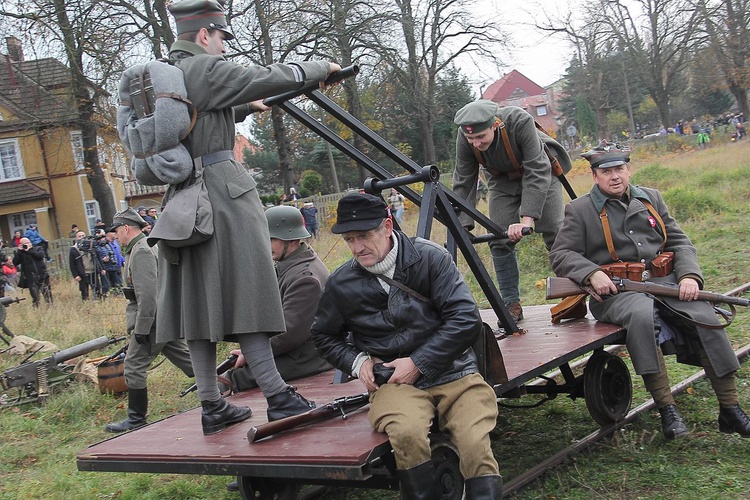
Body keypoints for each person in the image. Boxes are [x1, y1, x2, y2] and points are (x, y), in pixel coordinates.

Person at [155, 0, 341, 435]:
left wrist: (241, 108)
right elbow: (262, 76)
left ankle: (211, 404)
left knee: (197, 308)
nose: (222, 46)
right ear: (205, 34)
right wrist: (318, 69)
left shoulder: (170, 72)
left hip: (184, 201)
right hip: (221, 192)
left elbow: (195, 120)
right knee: (253, 294)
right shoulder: (203, 69)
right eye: (221, 38)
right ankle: (278, 396)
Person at [549, 140, 750, 440]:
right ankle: (667, 409)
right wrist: (591, 273)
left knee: (706, 317)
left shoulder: (651, 198)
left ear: (629, 170)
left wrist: (690, 277)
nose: (614, 176)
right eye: (606, 172)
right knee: (642, 317)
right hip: (617, 293)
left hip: (665, 284)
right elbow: (561, 255)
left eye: (619, 169)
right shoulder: (579, 210)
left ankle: (731, 409)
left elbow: (680, 243)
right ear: (594, 177)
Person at [311, 193, 502, 499]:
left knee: (474, 441)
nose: (357, 247)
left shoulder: (430, 258)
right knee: (406, 435)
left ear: (387, 226)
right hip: (395, 384)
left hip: (455, 373)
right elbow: (323, 336)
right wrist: (359, 363)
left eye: (363, 236)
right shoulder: (341, 283)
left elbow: (465, 318)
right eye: (349, 239)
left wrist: (418, 363)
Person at [452, 100, 571, 322]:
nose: (476, 144)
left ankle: (572, 295)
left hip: (540, 173)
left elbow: (537, 169)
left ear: (494, 125)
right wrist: (462, 224)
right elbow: (464, 180)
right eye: (471, 139)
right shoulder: (464, 137)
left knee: (555, 230)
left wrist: (527, 220)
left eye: (481, 137)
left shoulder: (519, 121)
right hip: (501, 181)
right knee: (498, 237)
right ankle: (511, 303)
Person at [223, 205, 332, 393]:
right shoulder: (293, 265)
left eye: (272, 239)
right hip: (298, 350)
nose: (266, 245)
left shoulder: (304, 278)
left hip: (309, 356)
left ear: (292, 240)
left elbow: (290, 333)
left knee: (237, 378)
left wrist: (251, 352)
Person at [105, 208, 194, 433]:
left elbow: (148, 295)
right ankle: (229, 382)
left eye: (117, 230)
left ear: (126, 228)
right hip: (161, 317)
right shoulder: (139, 248)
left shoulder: (141, 251)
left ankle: (136, 419)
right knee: (190, 362)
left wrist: (142, 330)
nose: (115, 235)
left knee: (134, 365)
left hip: (152, 320)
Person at [13, 237, 52, 307]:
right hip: (31, 278)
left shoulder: (38, 248)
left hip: (42, 276)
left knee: (47, 295)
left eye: (26, 243)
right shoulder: (21, 253)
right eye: (22, 244)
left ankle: (50, 309)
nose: (25, 245)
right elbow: (15, 262)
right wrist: (19, 251)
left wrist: (29, 250)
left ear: (30, 243)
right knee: (35, 297)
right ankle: (36, 311)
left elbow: (40, 256)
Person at [69, 231, 97, 300]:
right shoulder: (73, 249)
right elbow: (72, 264)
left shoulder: (90, 246)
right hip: (82, 273)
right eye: (79, 236)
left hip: (92, 271)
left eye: (83, 236)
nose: (81, 237)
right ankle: (86, 302)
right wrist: (75, 275)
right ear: (76, 238)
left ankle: (97, 300)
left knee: (97, 288)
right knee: (84, 291)